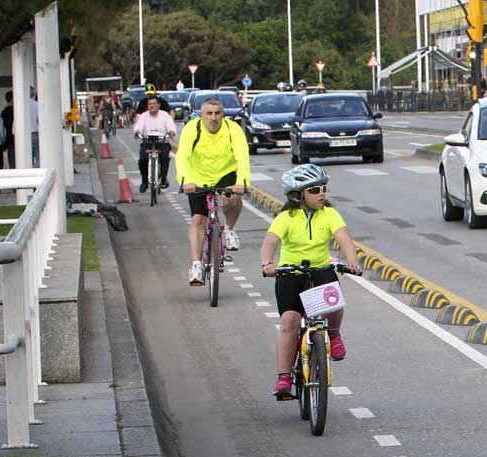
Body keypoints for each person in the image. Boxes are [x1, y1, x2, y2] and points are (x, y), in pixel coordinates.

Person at [260, 164, 361, 399]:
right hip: (290, 274)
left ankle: (334, 335)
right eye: (314, 190)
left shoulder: (330, 214)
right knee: (290, 321)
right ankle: (284, 378)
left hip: (320, 271)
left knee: (334, 302)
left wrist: (352, 261)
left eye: (323, 188)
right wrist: (267, 264)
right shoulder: (287, 217)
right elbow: (270, 242)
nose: (321, 194)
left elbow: (344, 238)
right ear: (298, 195)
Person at [175, 97, 251, 286]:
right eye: (209, 113)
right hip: (197, 178)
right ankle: (196, 265)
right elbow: (182, 156)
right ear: (201, 115)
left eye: (218, 113)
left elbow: (242, 155)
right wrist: (185, 181)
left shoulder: (233, 129)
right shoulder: (192, 129)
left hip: (226, 172)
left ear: (223, 115)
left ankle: (230, 230)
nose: (213, 118)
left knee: (234, 197)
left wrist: (241, 182)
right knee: (198, 220)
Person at [133, 94, 177, 191]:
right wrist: (137, 132)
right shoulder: (144, 116)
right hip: (147, 142)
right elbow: (139, 126)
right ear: (147, 106)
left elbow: (171, 125)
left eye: (154, 103)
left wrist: (171, 131)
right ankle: (144, 182)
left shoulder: (165, 115)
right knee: (142, 161)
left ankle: (164, 179)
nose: (152, 106)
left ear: (158, 105)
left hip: (162, 141)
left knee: (165, 157)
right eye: (149, 104)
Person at [0, 91, 13, 167]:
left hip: (9, 138)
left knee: (11, 158)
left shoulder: (4, 112)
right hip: (14, 137)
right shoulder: (17, 110)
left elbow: (3, 127)